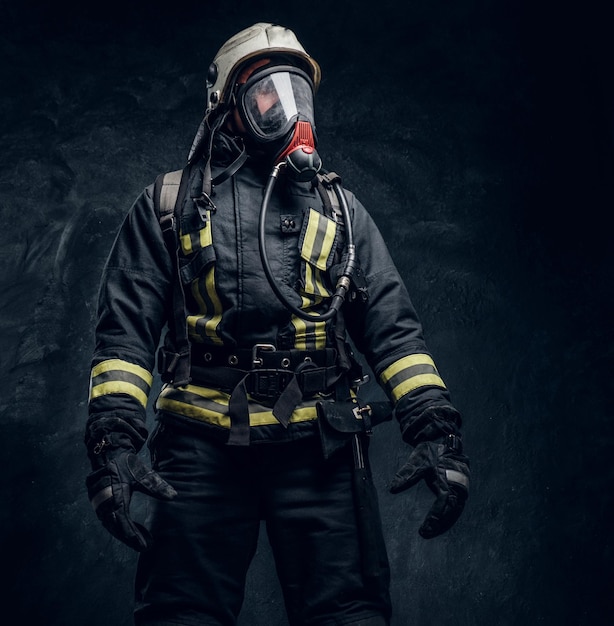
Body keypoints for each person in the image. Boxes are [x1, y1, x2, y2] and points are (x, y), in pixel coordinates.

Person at [84, 22, 471, 626]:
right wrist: (114, 443)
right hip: (200, 447)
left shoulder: (339, 209)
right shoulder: (169, 206)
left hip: (319, 449)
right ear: (227, 107)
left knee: (348, 615)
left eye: (296, 90)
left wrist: (437, 433)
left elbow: (395, 335)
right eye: (266, 91)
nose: (285, 108)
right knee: (179, 614)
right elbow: (124, 338)